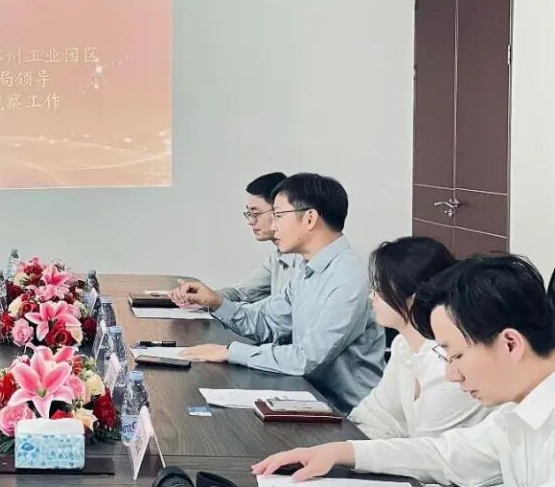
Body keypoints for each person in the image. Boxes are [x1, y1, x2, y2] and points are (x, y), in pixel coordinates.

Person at [253, 255, 555, 487]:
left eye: (457, 356)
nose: (452, 374)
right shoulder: (517, 412)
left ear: (510, 344)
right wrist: (342, 452)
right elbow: (446, 455)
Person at [172, 173, 384, 412]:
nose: (273, 226)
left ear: (310, 218)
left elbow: (307, 358)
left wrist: (230, 352)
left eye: (279, 216)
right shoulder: (307, 269)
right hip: (308, 398)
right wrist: (216, 302)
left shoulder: (348, 277)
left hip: (348, 416)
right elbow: (267, 322)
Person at [349, 236, 493, 440]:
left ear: (414, 297)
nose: (372, 297)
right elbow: (376, 415)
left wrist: (356, 449)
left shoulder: (446, 363)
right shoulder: (403, 345)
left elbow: (427, 451)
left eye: (380, 290)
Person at [184, 172, 304, 305]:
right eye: (249, 214)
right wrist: (203, 297)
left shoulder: (304, 260)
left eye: (256, 213)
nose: (251, 221)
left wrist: (215, 302)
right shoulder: (277, 257)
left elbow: (278, 313)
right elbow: (241, 293)